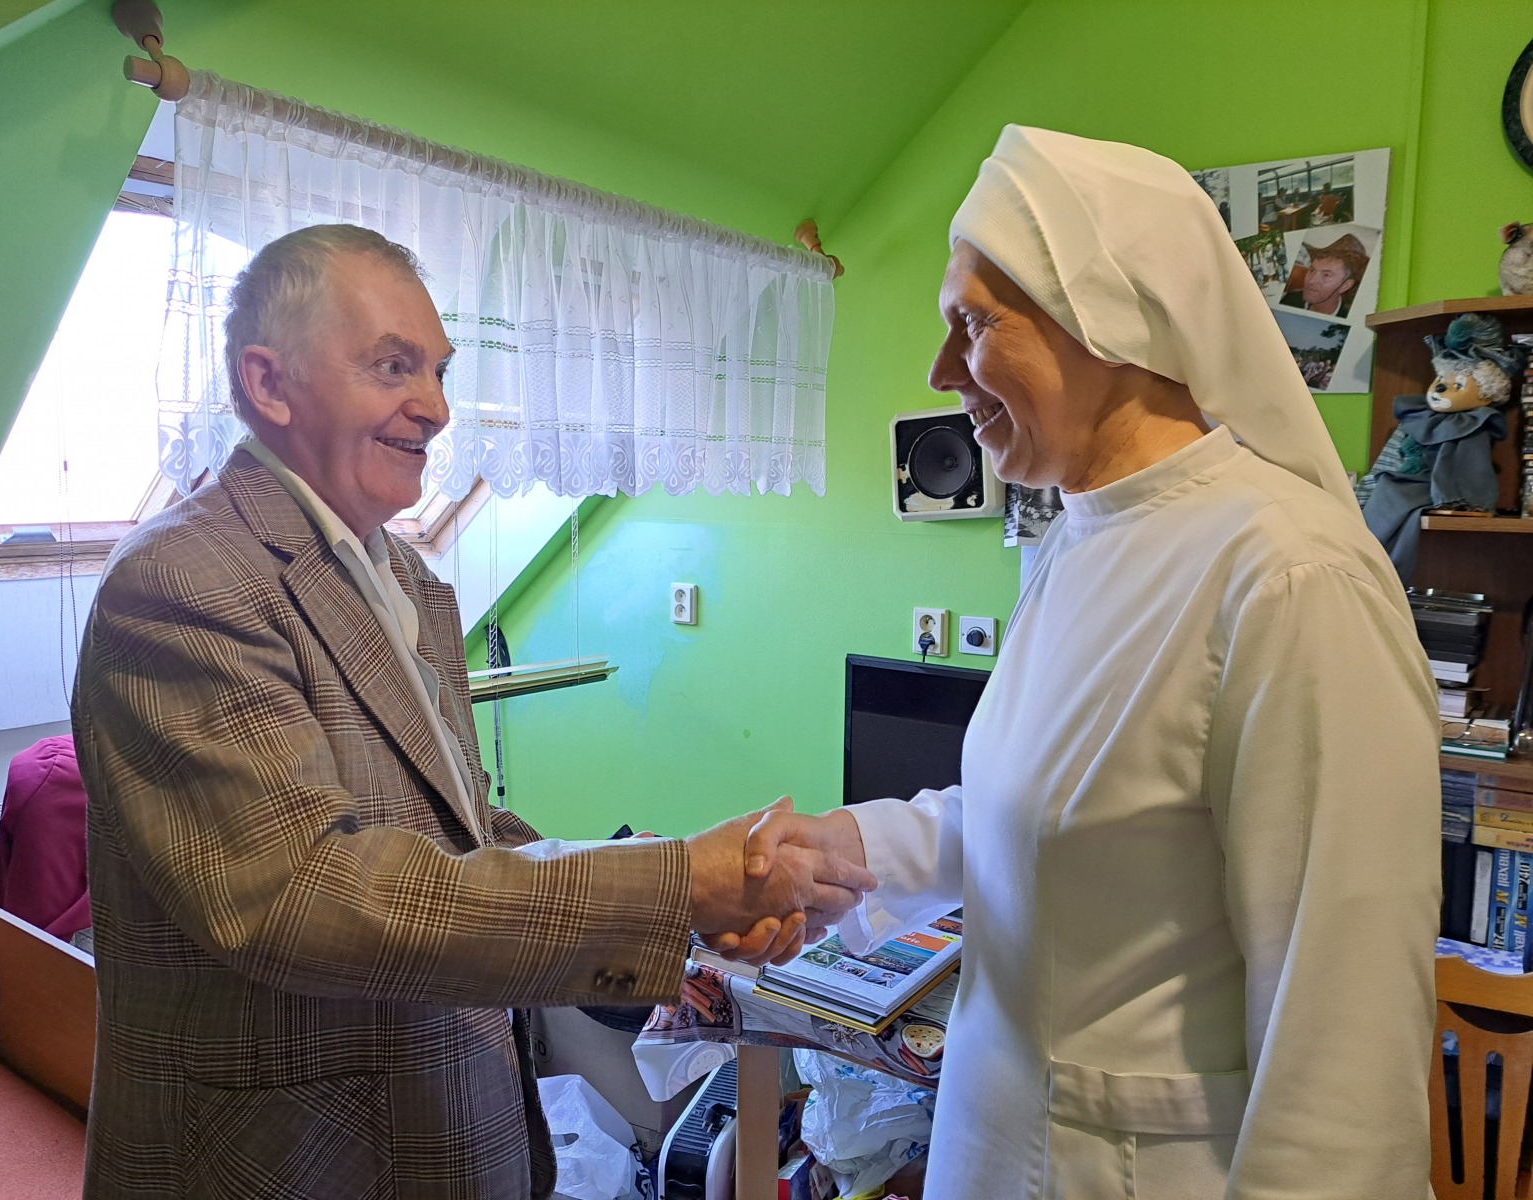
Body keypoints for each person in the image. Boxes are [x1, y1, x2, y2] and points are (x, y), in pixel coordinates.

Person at [71, 224, 870, 1199]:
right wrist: (675, 888)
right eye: (393, 366)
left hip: (452, 1134)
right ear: (268, 384)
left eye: (440, 370)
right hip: (289, 1164)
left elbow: (459, 834)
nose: (437, 407)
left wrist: (688, 911)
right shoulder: (181, 581)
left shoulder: (407, 578)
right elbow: (307, 896)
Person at [731, 127, 1439, 1197]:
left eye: (974, 324)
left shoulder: (1289, 577)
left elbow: (1342, 1026)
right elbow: (1047, 816)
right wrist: (849, 846)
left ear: (1107, 318)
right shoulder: (1076, 538)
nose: (940, 373)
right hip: (992, 1144)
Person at [1281, 232, 1369, 318]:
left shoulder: (1349, 317)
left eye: (1326, 275)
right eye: (1312, 270)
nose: (1311, 281)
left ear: (1345, 286)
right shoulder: (1290, 299)